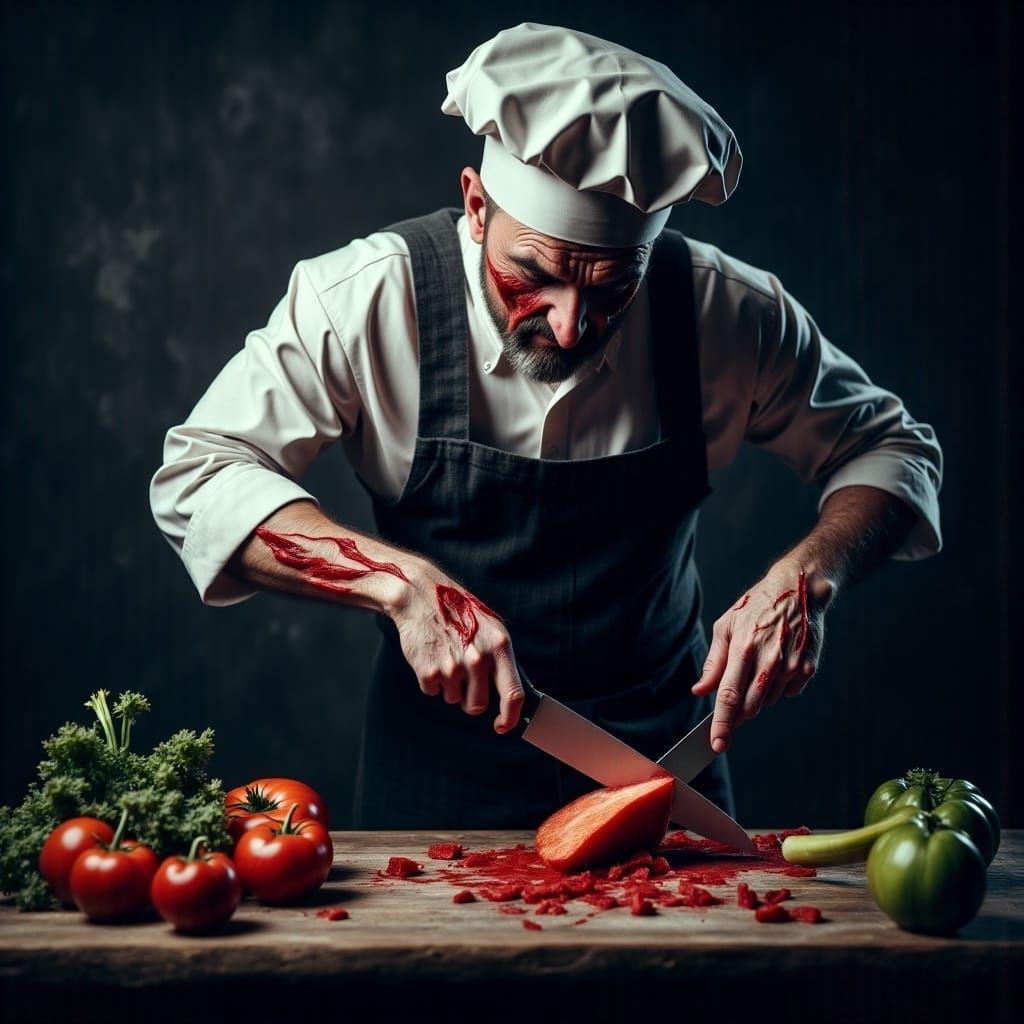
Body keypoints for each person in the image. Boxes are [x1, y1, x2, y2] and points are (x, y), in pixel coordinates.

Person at [150, 23, 942, 828]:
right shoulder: (363, 301)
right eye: (533, 276)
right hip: (434, 778)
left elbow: (894, 449)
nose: (568, 327)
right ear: (475, 203)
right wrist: (399, 583)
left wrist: (805, 579)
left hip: (663, 769)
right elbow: (201, 476)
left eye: (610, 291)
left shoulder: (725, 313)